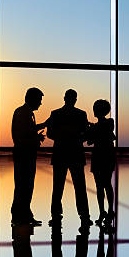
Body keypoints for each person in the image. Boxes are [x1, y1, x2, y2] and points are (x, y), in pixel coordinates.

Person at [46, 89, 92, 230]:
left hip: (60, 152)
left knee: (58, 186)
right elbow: (85, 134)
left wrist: (62, 137)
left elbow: (50, 134)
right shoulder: (81, 114)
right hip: (76, 152)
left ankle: (56, 215)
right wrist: (75, 137)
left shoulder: (55, 114)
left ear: (64, 98)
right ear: (75, 99)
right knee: (80, 186)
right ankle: (84, 216)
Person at [11, 87, 45, 226]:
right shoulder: (23, 113)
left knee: (24, 185)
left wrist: (36, 136)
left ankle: (23, 214)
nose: (40, 103)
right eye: (39, 100)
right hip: (24, 154)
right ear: (33, 99)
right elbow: (22, 134)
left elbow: (27, 131)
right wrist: (35, 139)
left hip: (25, 153)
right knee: (24, 185)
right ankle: (21, 215)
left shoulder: (24, 112)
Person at [86, 99, 116, 229]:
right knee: (104, 184)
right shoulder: (107, 123)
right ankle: (105, 211)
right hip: (105, 155)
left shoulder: (109, 123)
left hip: (100, 156)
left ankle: (106, 210)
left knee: (103, 185)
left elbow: (90, 141)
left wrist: (91, 129)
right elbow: (90, 141)